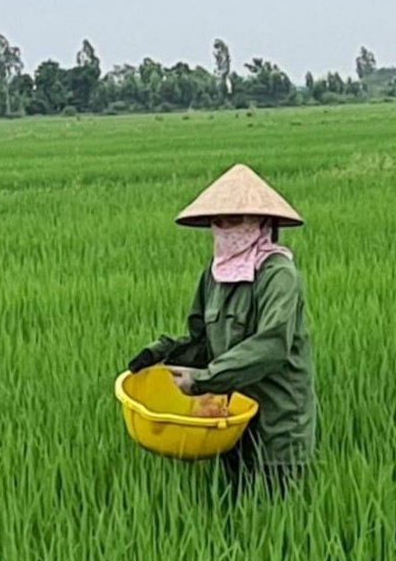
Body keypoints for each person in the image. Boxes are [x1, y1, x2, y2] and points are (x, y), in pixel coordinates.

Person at [127, 164, 317, 497]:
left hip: (277, 424)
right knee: (236, 508)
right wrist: (161, 354)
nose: (223, 229)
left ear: (261, 223)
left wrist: (202, 380)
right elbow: (202, 339)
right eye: (218, 221)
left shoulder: (277, 274)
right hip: (229, 421)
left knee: (279, 517)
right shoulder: (214, 276)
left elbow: (272, 345)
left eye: (234, 220)